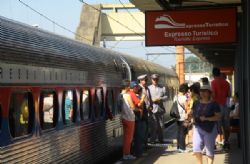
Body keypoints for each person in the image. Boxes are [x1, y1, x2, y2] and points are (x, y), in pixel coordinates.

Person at [192, 84, 221, 164]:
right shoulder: (196, 103)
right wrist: (190, 116)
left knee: (209, 150)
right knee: (196, 148)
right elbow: (193, 113)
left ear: (209, 93)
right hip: (198, 128)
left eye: (205, 91)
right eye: (201, 91)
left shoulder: (214, 104)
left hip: (210, 129)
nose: (202, 93)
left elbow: (218, 117)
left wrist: (207, 118)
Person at [211, 67, 231, 149]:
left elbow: (214, 95)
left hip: (217, 107)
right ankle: (226, 142)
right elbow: (229, 94)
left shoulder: (213, 82)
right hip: (225, 106)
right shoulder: (226, 83)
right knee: (226, 126)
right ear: (219, 73)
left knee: (216, 126)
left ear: (213, 74)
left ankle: (214, 143)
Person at [119, 79, 136, 160]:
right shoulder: (127, 95)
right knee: (129, 138)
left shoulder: (119, 95)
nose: (130, 87)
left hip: (123, 118)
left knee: (125, 137)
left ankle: (125, 153)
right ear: (127, 87)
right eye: (129, 86)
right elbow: (132, 107)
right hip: (130, 118)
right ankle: (126, 154)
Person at [148, 74, 168, 144]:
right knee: (153, 125)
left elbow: (166, 97)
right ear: (151, 80)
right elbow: (147, 98)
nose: (155, 81)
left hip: (160, 108)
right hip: (152, 108)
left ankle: (161, 139)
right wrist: (151, 101)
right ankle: (152, 139)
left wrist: (160, 99)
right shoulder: (149, 88)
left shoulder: (162, 87)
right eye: (154, 79)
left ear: (158, 79)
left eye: (156, 79)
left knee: (161, 125)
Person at [129, 81, 145, 157]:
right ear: (133, 87)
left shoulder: (130, 93)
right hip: (136, 117)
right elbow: (139, 103)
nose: (137, 89)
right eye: (136, 87)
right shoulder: (132, 94)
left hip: (134, 116)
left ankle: (136, 151)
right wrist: (143, 98)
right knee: (138, 135)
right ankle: (138, 152)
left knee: (135, 135)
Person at [137, 74, 152, 147]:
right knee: (143, 128)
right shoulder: (138, 88)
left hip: (148, 110)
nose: (145, 81)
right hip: (142, 110)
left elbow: (150, 98)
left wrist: (151, 105)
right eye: (143, 80)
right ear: (140, 80)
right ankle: (143, 144)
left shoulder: (147, 88)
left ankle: (145, 143)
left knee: (147, 127)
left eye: (146, 80)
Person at [175, 83, 189, 152]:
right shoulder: (184, 98)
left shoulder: (176, 97)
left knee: (178, 132)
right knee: (183, 133)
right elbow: (186, 108)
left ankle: (178, 147)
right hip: (183, 117)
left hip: (177, 116)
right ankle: (182, 148)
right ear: (184, 91)